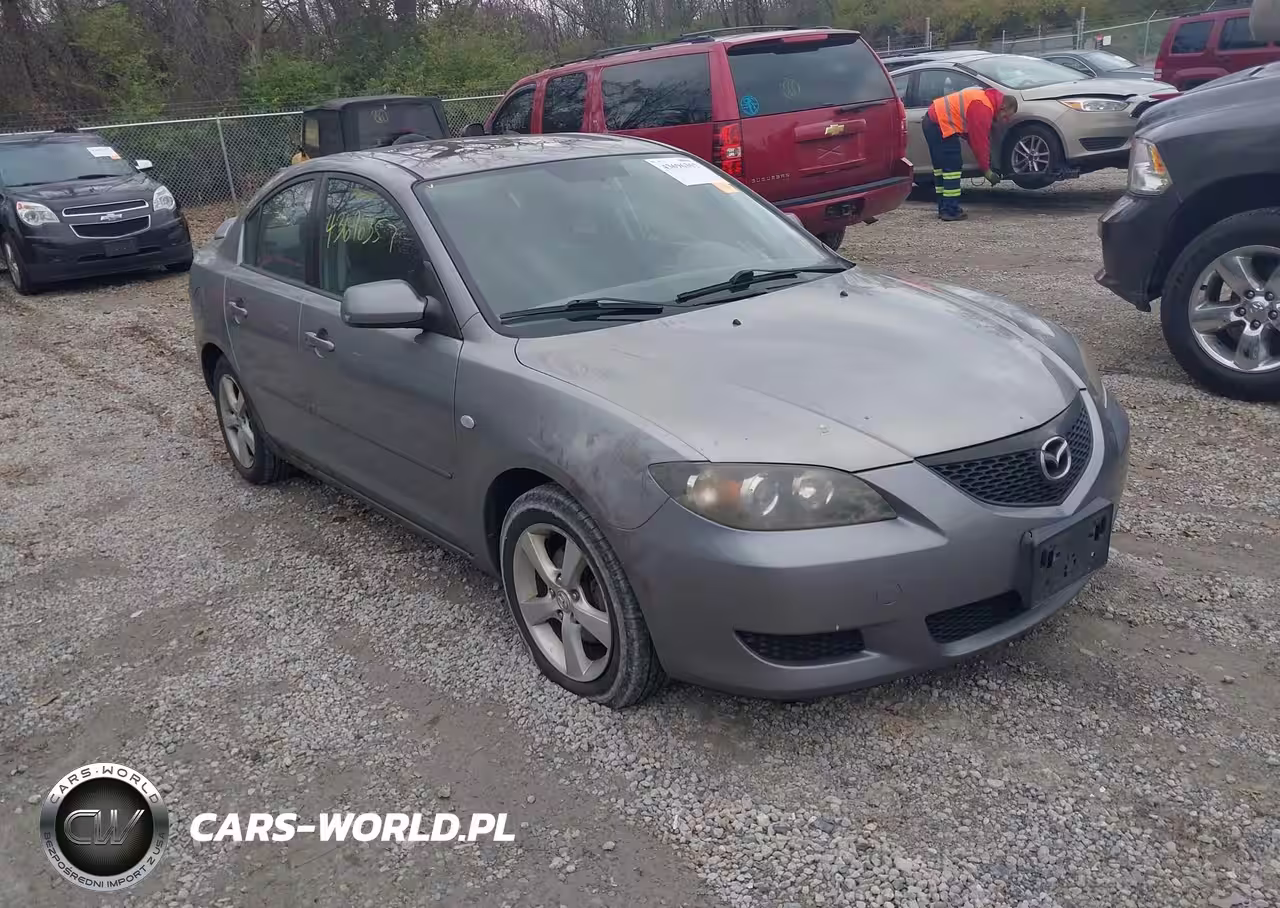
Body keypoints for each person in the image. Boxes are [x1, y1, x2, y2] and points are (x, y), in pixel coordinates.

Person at [922, 86, 1018, 222]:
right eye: (1006, 116)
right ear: (1003, 107)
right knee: (952, 168)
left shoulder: (983, 99)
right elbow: (979, 142)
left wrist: (987, 161)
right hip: (941, 124)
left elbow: (973, 137)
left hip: (932, 121)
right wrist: (986, 170)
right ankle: (950, 211)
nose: (1005, 120)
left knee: (941, 169)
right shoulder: (983, 108)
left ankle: (944, 207)